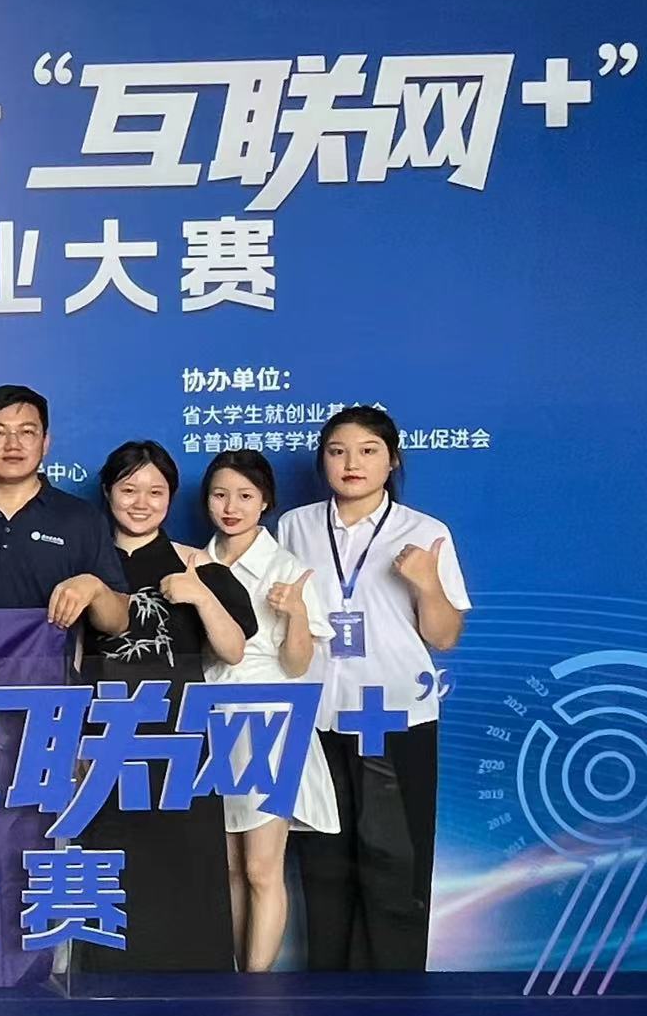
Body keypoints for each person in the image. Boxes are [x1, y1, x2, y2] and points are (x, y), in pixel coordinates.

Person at [278, 406, 469, 972]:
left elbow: (444, 637)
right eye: (337, 451)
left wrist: (428, 585)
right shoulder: (294, 527)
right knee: (322, 860)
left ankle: (395, 992)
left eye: (368, 451)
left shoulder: (425, 532)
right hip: (315, 715)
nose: (351, 463)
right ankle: (328, 988)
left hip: (394, 715)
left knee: (395, 861)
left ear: (393, 461)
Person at [78, 441, 256, 972]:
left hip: (183, 738)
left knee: (188, 865)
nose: (141, 502)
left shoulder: (197, 564)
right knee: (109, 863)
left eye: (155, 492)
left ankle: (200, 988)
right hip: (105, 737)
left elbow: (233, 648)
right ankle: (106, 985)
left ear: (171, 498)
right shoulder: (84, 565)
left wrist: (200, 594)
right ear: (107, 492)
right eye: (129, 489)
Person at [200, 449, 337, 973]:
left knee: (261, 868)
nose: (230, 507)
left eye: (244, 495)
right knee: (228, 870)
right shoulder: (194, 562)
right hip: (212, 717)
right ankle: (238, 976)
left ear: (265, 502)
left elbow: (297, 664)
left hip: (273, 720)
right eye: (219, 495)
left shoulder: (288, 569)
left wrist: (296, 612)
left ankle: (257, 988)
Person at [0, 384, 132, 633]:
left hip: (50, 659)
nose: (13, 444)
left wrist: (94, 588)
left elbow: (118, 623)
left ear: (45, 442)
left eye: (27, 432)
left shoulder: (81, 517)